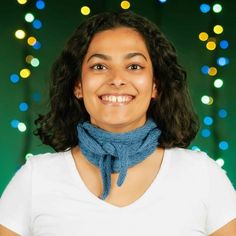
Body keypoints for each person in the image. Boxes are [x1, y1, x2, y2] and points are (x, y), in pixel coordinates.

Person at [0, 11, 236, 236]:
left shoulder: (201, 174)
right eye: (99, 66)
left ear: (156, 85)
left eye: (134, 66)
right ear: (78, 85)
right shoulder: (36, 177)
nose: (117, 79)